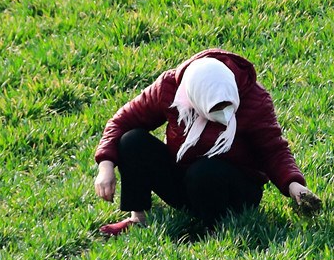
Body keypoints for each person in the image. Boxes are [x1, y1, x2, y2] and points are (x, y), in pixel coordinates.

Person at [92, 49, 321, 236]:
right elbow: (122, 121)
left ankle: (214, 228)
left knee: (205, 170)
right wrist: (106, 165)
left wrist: (295, 186)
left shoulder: (254, 98)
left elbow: (273, 150)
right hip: (184, 176)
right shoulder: (170, 88)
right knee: (132, 140)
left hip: (231, 188)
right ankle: (138, 218)